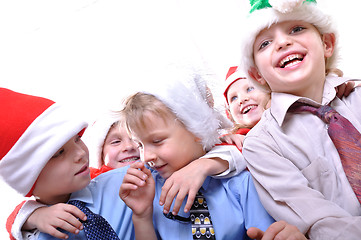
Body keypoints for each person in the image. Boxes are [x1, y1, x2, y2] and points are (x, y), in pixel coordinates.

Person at [118, 67, 307, 240]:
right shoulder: (148, 192)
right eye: (139, 146)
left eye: (157, 141)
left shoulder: (240, 184)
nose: (147, 156)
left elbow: (264, 232)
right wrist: (141, 216)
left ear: (196, 130)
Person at [237, 0, 361, 239]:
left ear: (327, 44)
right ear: (257, 75)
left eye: (296, 29)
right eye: (265, 43)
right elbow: (323, 225)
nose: (283, 42)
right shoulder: (262, 144)